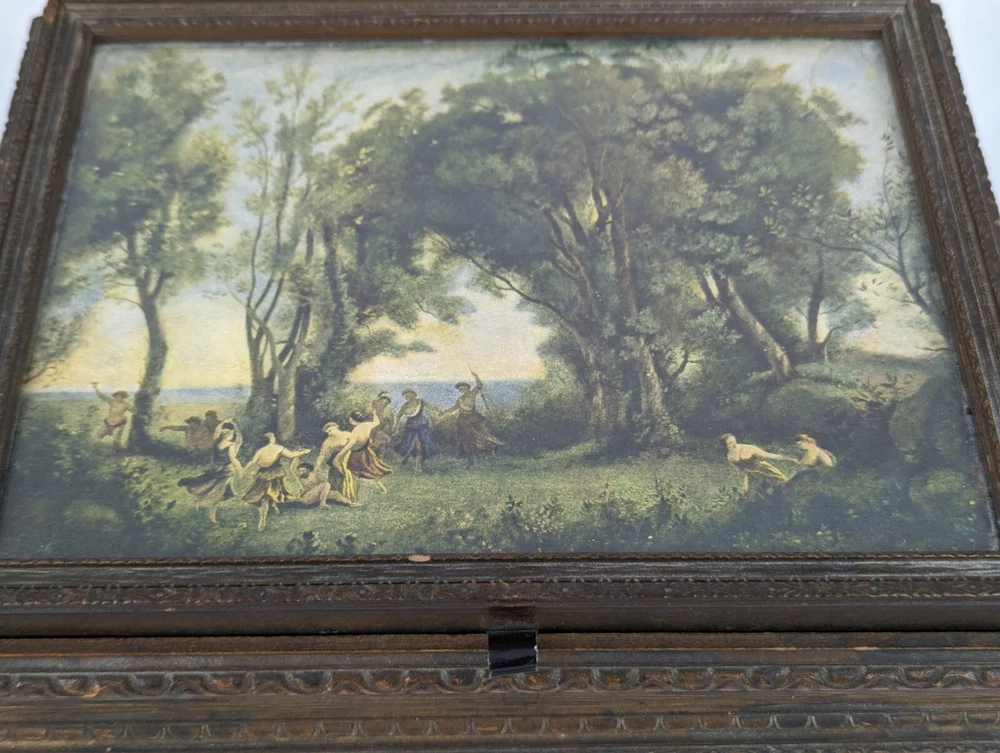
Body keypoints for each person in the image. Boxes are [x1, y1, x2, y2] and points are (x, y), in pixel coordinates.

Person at [178, 421, 243, 525]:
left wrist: (223, 423)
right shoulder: (231, 445)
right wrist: (240, 468)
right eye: (231, 434)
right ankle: (212, 516)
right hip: (226, 471)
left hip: (216, 468)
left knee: (209, 486)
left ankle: (199, 502)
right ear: (228, 435)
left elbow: (216, 432)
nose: (232, 436)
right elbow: (233, 458)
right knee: (219, 493)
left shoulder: (217, 442)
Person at [242, 432, 311, 531]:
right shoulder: (278, 448)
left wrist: (244, 469)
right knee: (267, 495)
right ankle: (263, 520)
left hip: (264, 474)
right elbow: (291, 455)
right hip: (272, 474)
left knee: (269, 493)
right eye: (273, 436)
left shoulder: (261, 450)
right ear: (272, 439)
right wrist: (304, 452)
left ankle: (273, 508)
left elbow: (253, 462)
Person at [442, 371, 502, 468]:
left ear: (467, 388)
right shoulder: (460, 399)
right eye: (460, 388)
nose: (461, 389)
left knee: (479, 436)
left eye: (463, 387)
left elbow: (479, 385)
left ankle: (491, 448)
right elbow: (455, 408)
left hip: (473, 419)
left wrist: (476, 376)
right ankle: (470, 462)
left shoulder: (472, 394)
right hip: (462, 420)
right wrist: (445, 412)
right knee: (465, 440)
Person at [335, 408, 392, 502]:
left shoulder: (356, 430)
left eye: (350, 419)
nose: (349, 421)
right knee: (370, 470)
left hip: (356, 454)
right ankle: (382, 489)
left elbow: (350, 445)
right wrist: (374, 414)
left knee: (354, 475)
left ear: (352, 420)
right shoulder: (367, 425)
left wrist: (339, 455)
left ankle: (354, 498)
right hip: (365, 452)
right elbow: (377, 422)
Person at [721, 433, 796, 495]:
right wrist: (748, 477)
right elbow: (742, 469)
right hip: (752, 475)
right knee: (748, 494)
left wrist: (787, 458)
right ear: (725, 446)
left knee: (783, 484)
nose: (734, 444)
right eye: (730, 443)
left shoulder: (748, 448)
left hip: (764, 470)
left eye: (734, 441)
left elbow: (767, 455)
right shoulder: (730, 456)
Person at [394, 389, 441, 473]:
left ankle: (418, 466)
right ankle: (407, 458)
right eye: (406, 396)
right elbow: (399, 415)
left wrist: (439, 410)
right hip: (411, 427)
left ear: (413, 395)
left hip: (422, 426)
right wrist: (396, 424)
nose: (407, 397)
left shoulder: (420, 401)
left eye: (409, 395)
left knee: (421, 445)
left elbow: (431, 406)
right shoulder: (405, 405)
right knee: (409, 444)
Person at [92, 382, 132, 448]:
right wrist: (96, 387)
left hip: (118, 425)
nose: (117, 398)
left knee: (116, 441)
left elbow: (135, 411)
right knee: (96, 437)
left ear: (123, 397)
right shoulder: (112, 401)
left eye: (119, 396)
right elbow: (101, 396)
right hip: (108, 424)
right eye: (116, 396)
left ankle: (119, 452)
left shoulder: (126, 405)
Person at [370, 391, 396, 457]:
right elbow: (375, 401)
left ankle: (379, 456)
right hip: (369, 428)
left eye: (386, 403)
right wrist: (381, 393)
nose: (383, 403)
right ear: (379, 401)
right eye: (382, 401)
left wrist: (392, 430)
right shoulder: (374, 408)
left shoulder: (387, 412)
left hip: (378, 431)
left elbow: (392, 423)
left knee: (386, 440)